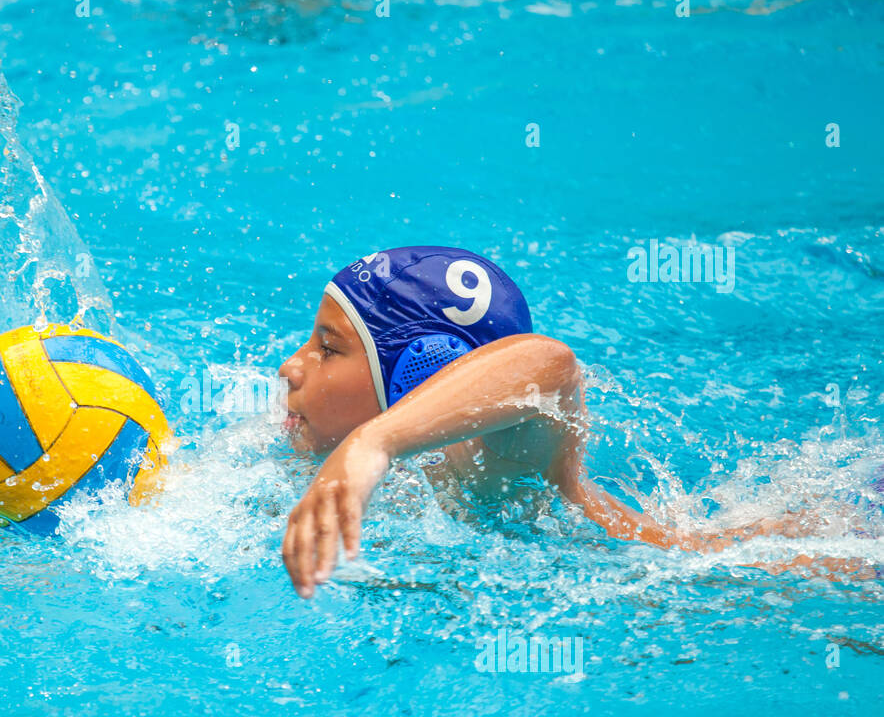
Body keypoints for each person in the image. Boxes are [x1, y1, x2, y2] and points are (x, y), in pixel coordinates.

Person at [277, 246, 878, 597]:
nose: (289, 366)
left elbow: (549, 363)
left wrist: (370, 443)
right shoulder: (302, 452)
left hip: (767, 580)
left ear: (417, 374)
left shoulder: (486, 467)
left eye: (327, 349)